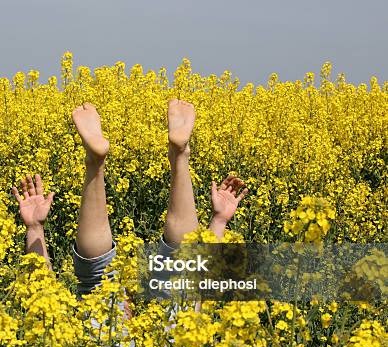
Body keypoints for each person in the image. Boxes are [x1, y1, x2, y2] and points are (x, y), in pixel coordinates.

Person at [13, 100, 249, 303]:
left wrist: (35, 228)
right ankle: (178, 156)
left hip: (108, 342)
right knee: (186, 281)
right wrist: (218, 221)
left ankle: (98, 164)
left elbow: (41, 298)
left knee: (98, 284)